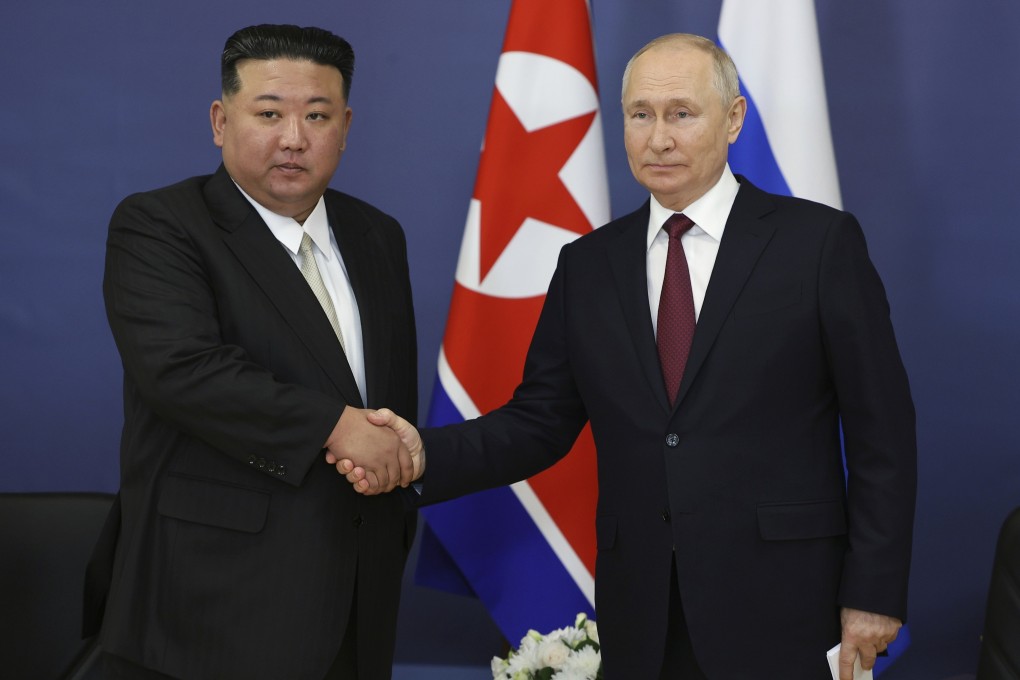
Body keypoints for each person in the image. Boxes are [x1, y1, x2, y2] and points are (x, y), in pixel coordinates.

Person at [333, 33, 916, 680]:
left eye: (681, 114)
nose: (658, 137)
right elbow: (539, 422)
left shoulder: (818, 244)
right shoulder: (588, 264)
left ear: (734, 119)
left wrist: (874, 592)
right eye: (641, 114)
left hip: (784, 604)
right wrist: (421, 453)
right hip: (642, 610)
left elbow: (881, 434)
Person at [86, 24, 418, 680]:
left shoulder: (378, 235)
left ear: (345, 126)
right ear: (220, 119)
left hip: (357, 595)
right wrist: (338, 427)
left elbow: (385, 400)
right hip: (211, 604)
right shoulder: (160, 224)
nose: (294, 138)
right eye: (269, 113)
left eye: (317, 116)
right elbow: (185, 372)